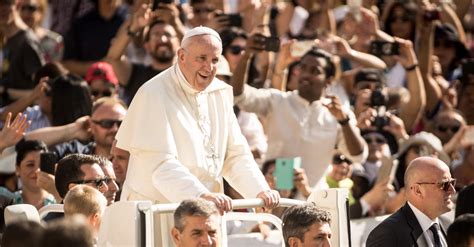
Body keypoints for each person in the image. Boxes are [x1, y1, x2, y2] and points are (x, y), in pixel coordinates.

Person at [115, 26, 279, 211]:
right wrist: (200, 195)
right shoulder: (153, 92)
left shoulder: (220, 92)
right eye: (202, 58)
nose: (208, 67)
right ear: (182, 56)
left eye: (215, 60)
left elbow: (235, 155)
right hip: (158, 209)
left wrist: (259, 190)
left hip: (207, 208)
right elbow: (159, 165)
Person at [232, 39, 366, 189]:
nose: (306, 75)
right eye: (303, 68)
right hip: (275, 196)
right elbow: (239, 96)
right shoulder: (277, 100)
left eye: (315, 71)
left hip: (313, 201)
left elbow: (358, 155)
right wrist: (246, 56)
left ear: (328, 81)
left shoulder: (338, 114)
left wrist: (344, 121)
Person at [366, 157, 456, 247]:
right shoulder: (387, 235)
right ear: (418, 190)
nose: (452, 190)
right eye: (444, 184)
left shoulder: (448, 226)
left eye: (452, 183)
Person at [105, 4, 180, 105]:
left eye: (168, 34)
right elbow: (113, 57)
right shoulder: (135, 74)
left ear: (179, 43)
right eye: (156, 35)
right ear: (147, 46)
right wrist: (134, 26)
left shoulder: (188, 75)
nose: (163, 39)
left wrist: (176, 23)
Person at [0, 0, 44, 105]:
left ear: (17, 4)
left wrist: (5, 92)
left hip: (25, 117)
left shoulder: (27, 42)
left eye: (5, 3)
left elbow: (42, 91)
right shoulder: (6, 38)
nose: (1, 9)